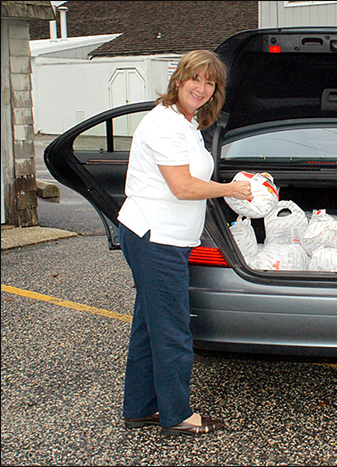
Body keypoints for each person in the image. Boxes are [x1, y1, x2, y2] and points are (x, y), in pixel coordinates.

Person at [117, 50, 253, 436]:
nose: (202, 88)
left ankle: (141, 406)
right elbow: (183, 186)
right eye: (196, 79)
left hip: (166, 238)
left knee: (150, 324)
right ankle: (176, 414)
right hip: (154, 238)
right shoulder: (164, 124)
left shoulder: (186, 123)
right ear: (178, 80)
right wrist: (232, 189)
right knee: (172, 328)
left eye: (210, 83)